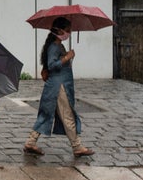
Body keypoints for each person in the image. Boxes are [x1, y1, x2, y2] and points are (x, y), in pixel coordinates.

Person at [23, 17, 94, 157]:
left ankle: (31, 143)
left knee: (45, 114)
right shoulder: (54, 47)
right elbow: (52, 65)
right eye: (67, 30)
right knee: (67, 116)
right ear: (59, 30)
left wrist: (67, 58)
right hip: (58, 88)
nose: (69, 33)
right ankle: (77, 146)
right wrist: (67, 57)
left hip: (57, 86)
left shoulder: (57, 45)